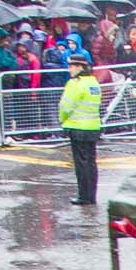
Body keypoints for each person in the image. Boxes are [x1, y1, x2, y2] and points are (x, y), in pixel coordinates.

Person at [57, 51, 100, 205]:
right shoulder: (93, 83)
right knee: (91, 163)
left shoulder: (75, 84)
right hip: (92, 127)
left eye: (72, 67)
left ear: (79, 67)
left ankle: (84, 196)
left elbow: (65, 106)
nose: (70, 70)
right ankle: (91, 195)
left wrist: (62, 120)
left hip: (77, 128)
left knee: (81, 164)